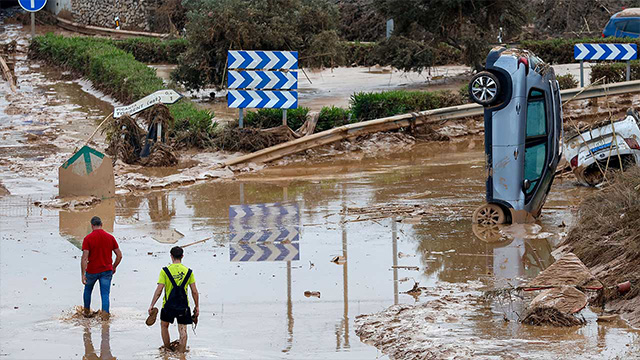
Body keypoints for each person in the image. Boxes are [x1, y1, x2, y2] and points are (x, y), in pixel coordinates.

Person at [148, 246, 199, 353]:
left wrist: (152, 305)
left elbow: (159, 290)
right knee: (183, 329)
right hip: (183, 306)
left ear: (171, 256)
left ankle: (167, 349)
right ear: (182, 256)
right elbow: (194, 291)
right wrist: (197, 306)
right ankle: (181, 353)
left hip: (168, 306)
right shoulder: (188, 272)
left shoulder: (165, 271)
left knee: (164, 326)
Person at [81, 216, 123, 319]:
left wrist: (82, 274)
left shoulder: (88, 239)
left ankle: (86, 312)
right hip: (106, 270)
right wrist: (114, 266)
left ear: (92, 226)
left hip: (92, 271)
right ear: (102, 225)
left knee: (88, 290)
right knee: (105, 294)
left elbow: (84, 258)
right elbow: (119, 255)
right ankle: (105, 316)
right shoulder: (110, 237)